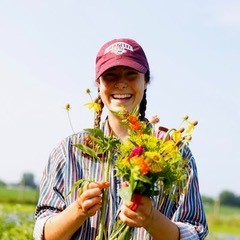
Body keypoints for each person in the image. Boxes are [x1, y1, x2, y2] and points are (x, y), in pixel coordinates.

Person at [33, 38, 208, 240]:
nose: (121, 83)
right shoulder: (69, 150)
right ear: (98, 85)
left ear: (146, 81)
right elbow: (44, 234)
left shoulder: (174, 152)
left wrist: (151, 219)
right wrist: (79, 210)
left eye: (131, 74)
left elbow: (195, 233)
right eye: (110, 76)